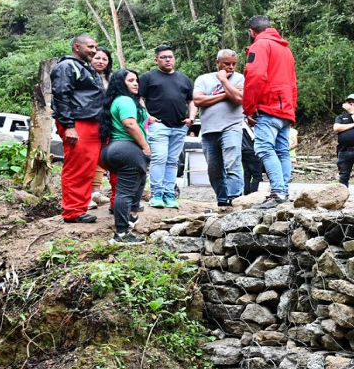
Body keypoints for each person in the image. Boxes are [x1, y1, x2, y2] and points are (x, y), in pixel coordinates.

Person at [243, 15, 298, 209]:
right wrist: (291, 111)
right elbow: (292, 83)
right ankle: (284, 191)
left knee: (265, 149)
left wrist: (248, 107)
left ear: (251, 31)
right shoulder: (285, 49)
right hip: (285, 108)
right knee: (282, 151)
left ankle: (278, 192)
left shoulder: (260, 45)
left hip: (268, 107)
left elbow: (255, 76)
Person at [50, 34, 105, 223]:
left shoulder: (86, 67)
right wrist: (69, 126)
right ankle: (72, 211)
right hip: (78, 123)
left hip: (92, 122)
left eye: (95, 47)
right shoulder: (66, 66)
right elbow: (61, 95)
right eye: (90, 46)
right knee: (77, 167)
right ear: (76, 47)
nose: (94, 50)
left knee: (89, 166)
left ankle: (80, 207)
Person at [139, 45, 196, 209]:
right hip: (159, 125)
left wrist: (191, 118)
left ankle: (169, 193)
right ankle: (156, 193)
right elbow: (139, 98)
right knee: (159, 158)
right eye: (163, 57)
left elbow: (191, 100)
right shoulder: (148, 77)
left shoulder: (184, 79)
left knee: (172, 162)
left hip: (180, 126)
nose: (168, 59)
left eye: (170, 56)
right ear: (156, 60)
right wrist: (147, 116)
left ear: (174, 59)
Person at [99, 69, 151, 245]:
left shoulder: (116, 101)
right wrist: (145, 146)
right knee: (125, 192)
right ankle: (122, 233)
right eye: (131, 81)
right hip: (127, 149)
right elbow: (129, 124)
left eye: (136, 80)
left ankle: (131, 215)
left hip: (112, 149)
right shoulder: (125, 100)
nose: (136, 83)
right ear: (121, 84)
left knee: (140, 178)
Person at [193, 49, 245, 207]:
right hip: (209, 130)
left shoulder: (240, 78)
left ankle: (235, 200)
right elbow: (197, 100)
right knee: (214, 170)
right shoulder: (204, 79)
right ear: (218, 63)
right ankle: (223, 201)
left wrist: (224, 81)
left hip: (231, 127)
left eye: (234, 64)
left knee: (232, 164)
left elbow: (238, 98)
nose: (231, 67)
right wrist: (225, 94)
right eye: (227, 64)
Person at [90, 46, 113, 209]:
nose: (101, 61)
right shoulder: (85, 76)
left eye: (104, 59)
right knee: (88, 157)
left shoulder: (110, 79)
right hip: (89, 120)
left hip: (106, 122)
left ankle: (96, 193)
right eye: (97, 58)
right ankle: (85, 195)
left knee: (100, 157)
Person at [242, 127, 264, 195]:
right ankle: (253, 192)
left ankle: (246, 191)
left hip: (243, 151)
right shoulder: (251, 128)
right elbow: (256, 139)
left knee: (247, 174)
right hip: (252, 151)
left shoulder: (239, 127)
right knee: (257, 175)